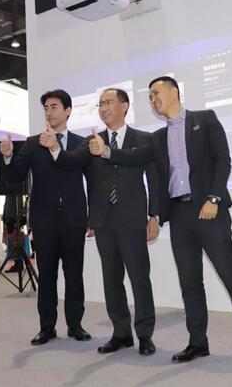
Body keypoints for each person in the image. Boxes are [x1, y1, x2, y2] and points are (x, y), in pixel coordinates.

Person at [89, 76, 232, 363]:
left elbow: (223, 160)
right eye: (150, 96)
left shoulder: (204, 120)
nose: (153, 99)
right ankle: (198, 343)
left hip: (208, 209)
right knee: (190, 282)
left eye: (156, 92)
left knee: (230, 274)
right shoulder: (158, 137)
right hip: (180, 215)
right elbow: (134, 158)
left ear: (174, 92)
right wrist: (107, 151)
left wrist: (214, 198)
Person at [42, 88, 159, 356]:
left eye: (108, 102)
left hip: (133, 221)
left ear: (124, 106)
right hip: (104, 222)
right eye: (100, 104)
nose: (103, 108)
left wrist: (155, 215)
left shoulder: (144, 139)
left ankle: (145, 335)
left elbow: (154, 180)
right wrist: (56, 148)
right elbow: (71, 162)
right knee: (111, 279)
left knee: (140, 279)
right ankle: (121, 333)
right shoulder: (91, 141)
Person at [0, 89, 91, 346]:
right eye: (46, 108)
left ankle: (75, 325)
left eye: (54, 107)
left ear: (68, 110)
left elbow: (79, 169)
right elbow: (15, 177)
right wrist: (8, 156)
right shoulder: (32, 143)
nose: (49, 112)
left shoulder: (81, 143)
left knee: (74, 275)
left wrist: (55, 149)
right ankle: (47, 327)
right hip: (43, 220)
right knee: (47, 276)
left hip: (73, 219)